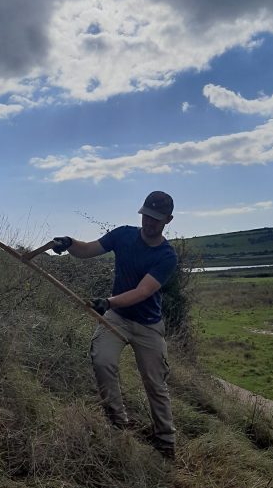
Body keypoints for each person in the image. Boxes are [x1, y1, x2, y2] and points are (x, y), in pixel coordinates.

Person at [52, 191, 178, 458]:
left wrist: (108, 302)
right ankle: (119, 423)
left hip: (147, 325)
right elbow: (87, 249)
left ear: (168, 220)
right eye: (146, 215)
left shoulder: (167, 256)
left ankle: (165, 441)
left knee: (155, 383)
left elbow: (143, 291)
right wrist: (69, 242)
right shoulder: (122, 235)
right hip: (118, 318)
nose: (149, 222)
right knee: (102, 361)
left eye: (156, 219)